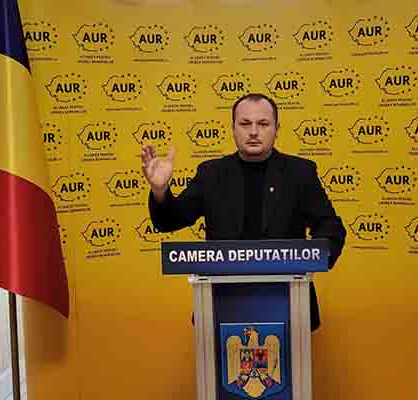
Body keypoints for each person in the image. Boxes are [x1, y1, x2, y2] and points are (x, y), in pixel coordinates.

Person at [140, 92, 346, 330]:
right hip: (221, 304)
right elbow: (169, 220)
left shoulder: (300, 172)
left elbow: (331, 227)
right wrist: (160, 190)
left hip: (289, 302)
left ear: (277, 129)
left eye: (263, 124)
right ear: (233, 129)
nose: (254, 132)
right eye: (245, 124)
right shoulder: (211, 173)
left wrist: (312, 258)